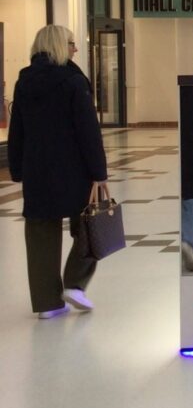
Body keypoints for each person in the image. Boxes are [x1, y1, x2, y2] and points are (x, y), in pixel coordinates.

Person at [7, 25, 109, 318]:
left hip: (37, 169)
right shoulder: (73, 81)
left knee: (40, 232)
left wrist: (17, 167)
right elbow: (88, 131)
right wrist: (99, 171)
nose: (75, 48)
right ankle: (75, 284)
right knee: (90, 226)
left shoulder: (24, 82)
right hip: (74, 169)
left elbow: (17, 130)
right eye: (72, 43)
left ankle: (47, 303)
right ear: (59, 45)